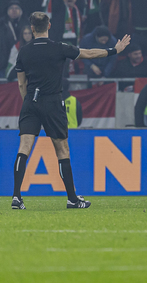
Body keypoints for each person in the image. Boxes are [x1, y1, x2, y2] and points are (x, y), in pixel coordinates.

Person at [11, 11, 130, 210]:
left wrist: (29, 103)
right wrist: (114, 50)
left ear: (31, 28)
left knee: (24, 148)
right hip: (53, 102)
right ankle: (72, 199)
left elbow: (22, 85)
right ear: (49, 26)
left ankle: (16, 197)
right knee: (62, 150)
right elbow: (89, 53)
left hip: (31, 102)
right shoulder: (59, 48)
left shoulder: (24, 51)